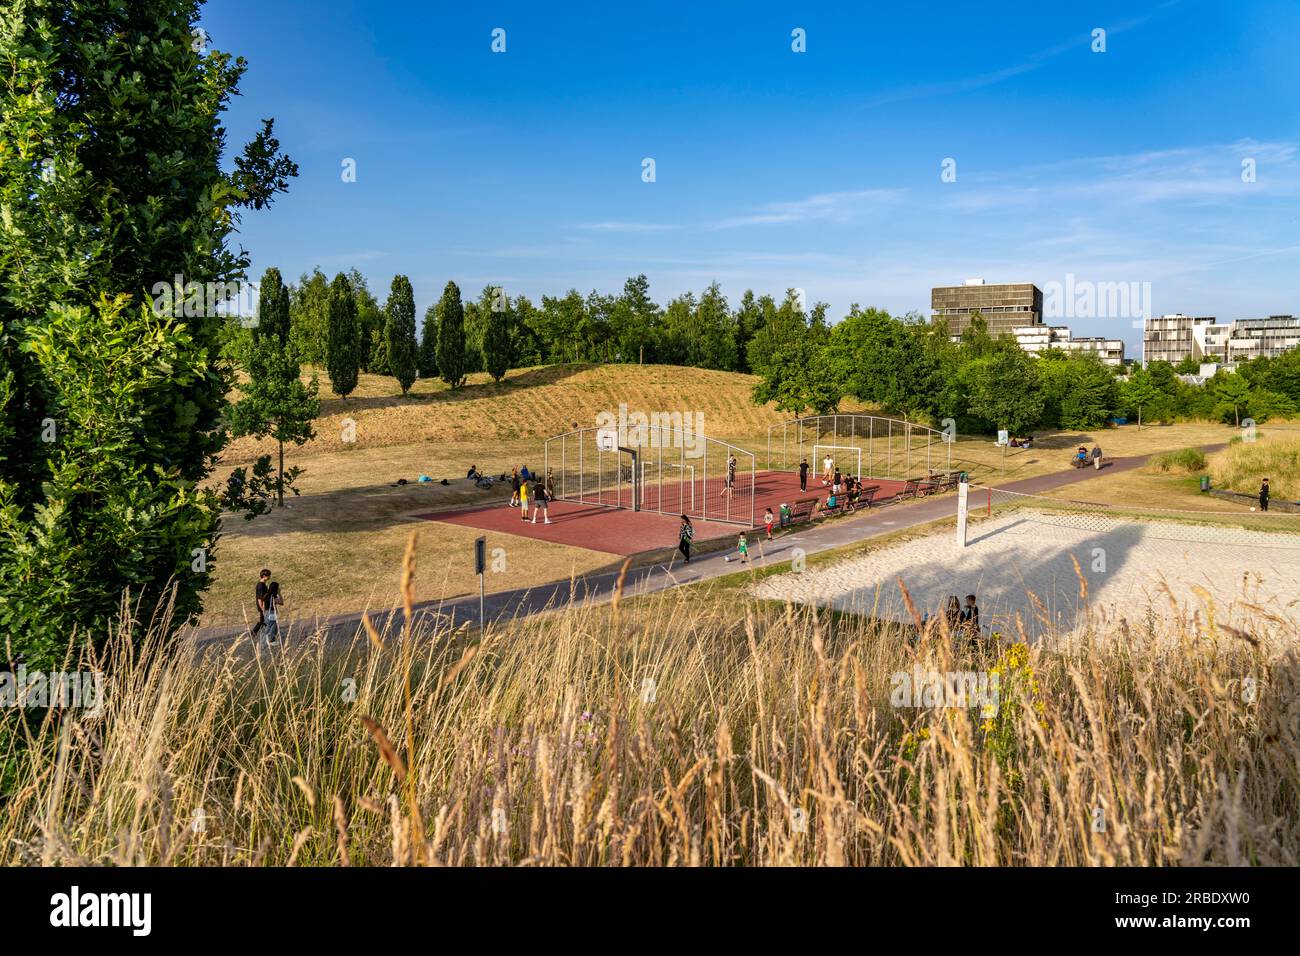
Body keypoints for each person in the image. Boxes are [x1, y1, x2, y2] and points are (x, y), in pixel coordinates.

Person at [251, 568, 272, 639]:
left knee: (263, 620)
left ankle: (256, 633)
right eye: (268, 575)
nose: (269, 577)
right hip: (262, 605)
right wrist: (262, 608)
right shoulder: (260, 585)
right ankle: (254, 632)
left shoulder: (263, 584)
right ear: (264, 576)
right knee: (264, 620)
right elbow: (259, 599)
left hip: (264, 605)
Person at [262, 581, 284, 646]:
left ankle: (265, 640)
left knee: (268, 626)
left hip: (266, 612)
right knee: (273, 626)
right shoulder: (273, 597)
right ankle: (271, 640)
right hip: (271, 612)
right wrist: (279, 593)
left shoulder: (265, 595)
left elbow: (263, 605)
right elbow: (281, 602)